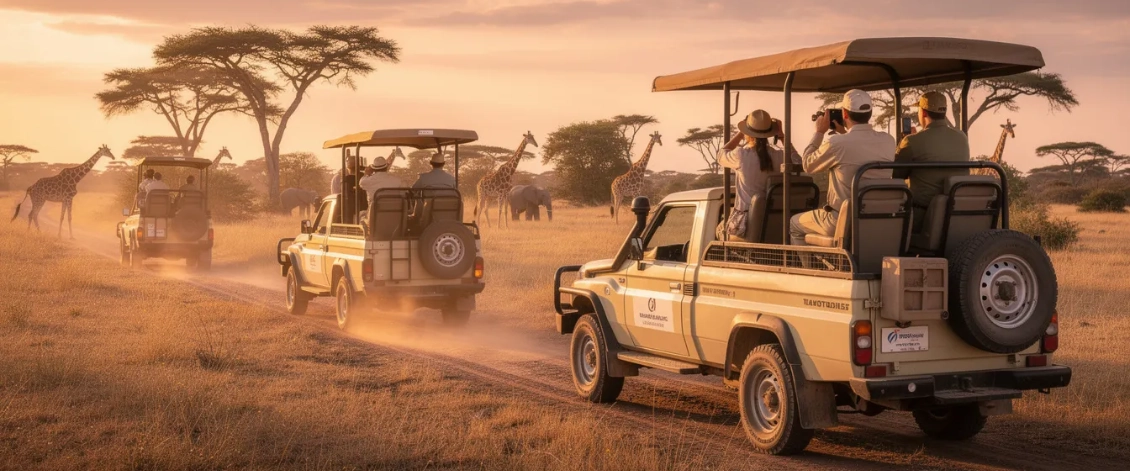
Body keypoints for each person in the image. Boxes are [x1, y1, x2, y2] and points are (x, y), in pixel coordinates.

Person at [790, 89, 895, 246]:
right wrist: (843, 132)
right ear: (870, 113)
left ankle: (808, 270)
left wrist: (819, 132)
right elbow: (860, 146)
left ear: (845, 114)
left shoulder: (837, 143)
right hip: (876, 217)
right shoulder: (888, 140)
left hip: (841, 219)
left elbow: (808, 165)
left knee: (794, 223)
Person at [893, 91, 971, 232]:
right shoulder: (961, 137)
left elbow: (896, 174)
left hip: (922, 216)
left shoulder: (912, 140)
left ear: (923, 113)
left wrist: (903, 143)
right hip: (957, 213)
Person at [715, 109, 798, 241]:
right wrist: (782, 136)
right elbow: (797, 161)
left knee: (720, 229)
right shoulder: (779, 156)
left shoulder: (741, 155)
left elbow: (720, 155)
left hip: (746, 225)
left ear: (748, 133)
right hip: (774, 224)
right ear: (770, 132)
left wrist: (741, 133)